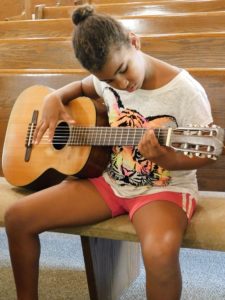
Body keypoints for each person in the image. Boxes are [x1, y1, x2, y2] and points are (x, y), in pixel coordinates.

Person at [4, 5, 214, 300]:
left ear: (134, 42)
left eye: (123, 70)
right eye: (109, 81)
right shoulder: (104, 79)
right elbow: (81, 86)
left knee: (159, 252)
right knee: (18, 218)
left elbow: (206, 153)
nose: (121, 84)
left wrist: (166, 158)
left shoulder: (184, 90)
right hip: (110, 182)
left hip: (163, 188)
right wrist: (55, 96)